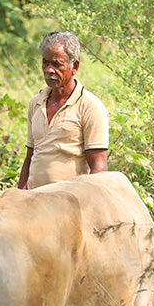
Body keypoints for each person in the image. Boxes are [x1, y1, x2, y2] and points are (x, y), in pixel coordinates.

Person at [17, 31, 109, 189]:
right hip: (34, 202)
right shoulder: (36, 103)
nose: (49, 70)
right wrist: (18, 199)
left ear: (75, 67)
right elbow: (30, 159)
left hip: (69, 203)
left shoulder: (90, 106)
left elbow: (99, 168)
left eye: (56, 64)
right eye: (45, 63)